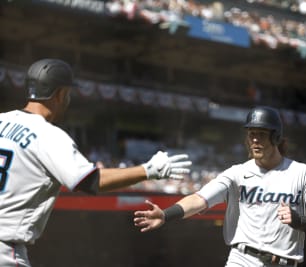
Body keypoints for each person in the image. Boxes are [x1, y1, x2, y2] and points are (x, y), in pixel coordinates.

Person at [0, 58, 192, 267]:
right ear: (61, 94)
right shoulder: (48, 135)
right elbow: (91, 181)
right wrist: (148, 170)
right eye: (68, 94)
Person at [134, 106, 306, 267]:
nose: (254, 140)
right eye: (251, 134)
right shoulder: (237, 173)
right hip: (243, 259)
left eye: (261, 134)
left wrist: (301, 221)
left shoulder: (301, 173)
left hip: (284, 262)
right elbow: (199, 199)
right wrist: (166, 215)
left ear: (276, 137)